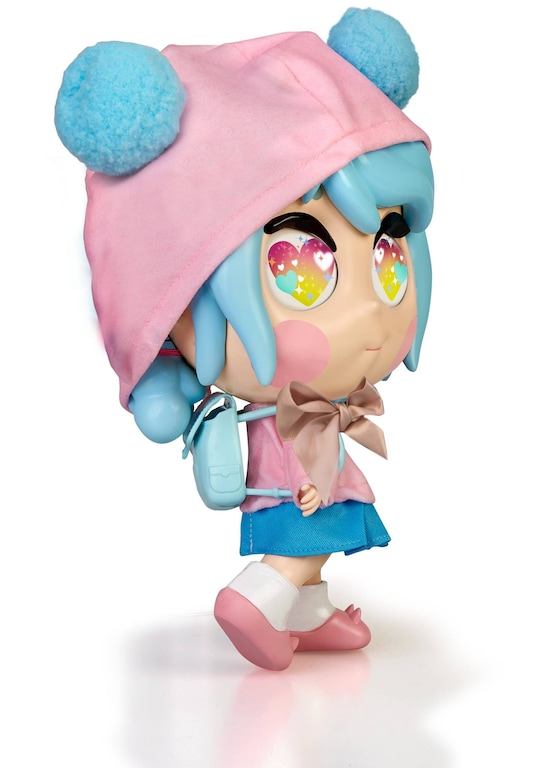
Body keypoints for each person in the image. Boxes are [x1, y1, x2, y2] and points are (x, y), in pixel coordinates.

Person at [55, 7, 434, 670]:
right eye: (302, 270)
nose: (369, 313)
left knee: (319, 533)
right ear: (174, 306)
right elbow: (294, 465)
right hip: (297, 468)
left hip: (306, 449)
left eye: (387, 256)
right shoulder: (292, 414)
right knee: (307, 533)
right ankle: (258, 596)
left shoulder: (318, 402)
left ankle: (307, 610)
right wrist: (308, 484)